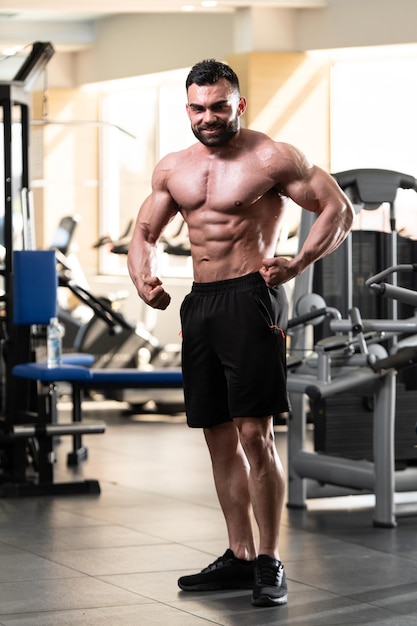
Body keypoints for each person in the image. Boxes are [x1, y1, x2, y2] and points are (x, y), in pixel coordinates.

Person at [127, 59, 355, 608]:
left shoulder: (271, 156)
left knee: (256, 433)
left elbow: (337, 209)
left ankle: (270, 560)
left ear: (239, 104)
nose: (209, 117)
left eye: (220, 106)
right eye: (199, 108)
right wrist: (142, 277)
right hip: (200, 303)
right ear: (188, 108)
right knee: (217, 434)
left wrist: (297, 264)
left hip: (251, 300)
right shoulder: (173, 167)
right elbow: (143, 230)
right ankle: (239, 554)